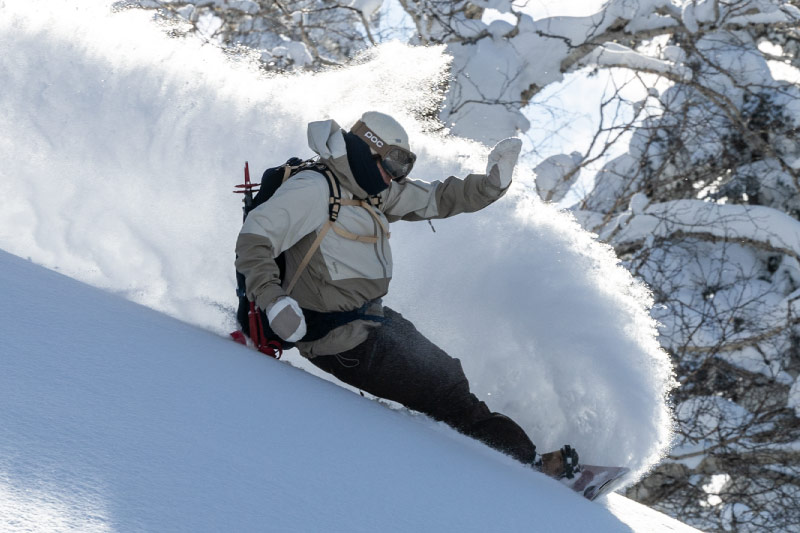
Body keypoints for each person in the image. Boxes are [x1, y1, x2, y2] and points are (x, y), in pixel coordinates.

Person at [235, 111, 578, 479]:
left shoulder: (371, 192)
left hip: (370, 321)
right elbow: (254, 240)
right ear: (368, 151)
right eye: (395, 163)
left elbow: (435, 197)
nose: (398, 175)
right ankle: (527, 469)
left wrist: (490, 184)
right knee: (444, 393)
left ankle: (508, 463)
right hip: (337, 340)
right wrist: (273, 299)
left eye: (405, 167)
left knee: (448, 375)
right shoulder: (316, 188)